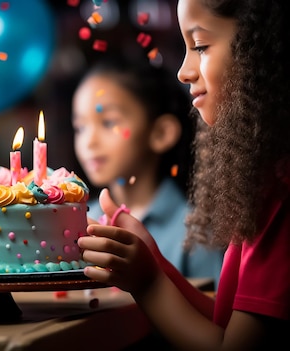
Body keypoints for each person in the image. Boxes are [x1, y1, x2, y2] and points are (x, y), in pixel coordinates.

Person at [77, 0, 290, 349]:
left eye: (201, 46)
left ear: (262, 50)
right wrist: (153, 259)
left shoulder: (281, 193)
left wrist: (148, 284)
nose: (183, 71)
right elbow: (226, 320)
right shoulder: (263, 182)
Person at [72, 55, 223, 283]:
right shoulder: (80, 221)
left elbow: (213, 314)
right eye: (80, 127)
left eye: (109, 122)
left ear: (161, 133)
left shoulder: (196, 232)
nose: (88, 142)